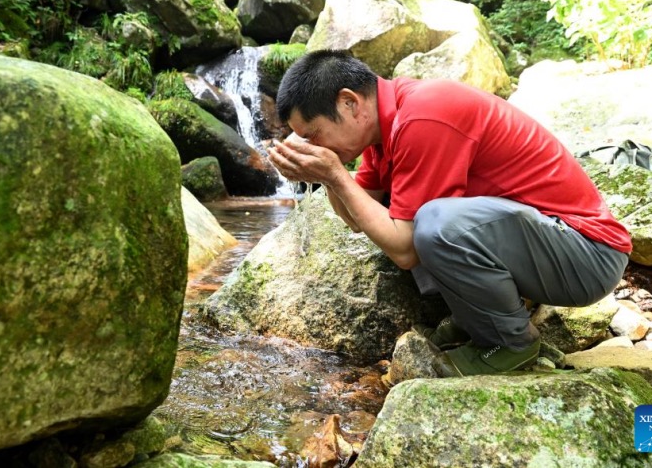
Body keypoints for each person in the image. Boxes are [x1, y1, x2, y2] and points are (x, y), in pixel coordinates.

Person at [266, 50, 631, 377]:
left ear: (349, 104)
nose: (312, 147)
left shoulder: (427, 113)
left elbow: (405, 249)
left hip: (587, 256)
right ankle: (483, 317)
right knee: (409, 212)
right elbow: (360, 218)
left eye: (313, 136)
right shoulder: (381, 130)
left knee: (434, 224)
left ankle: (511, 343)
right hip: (549, 247)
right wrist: (329, 177)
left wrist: (333, 173)